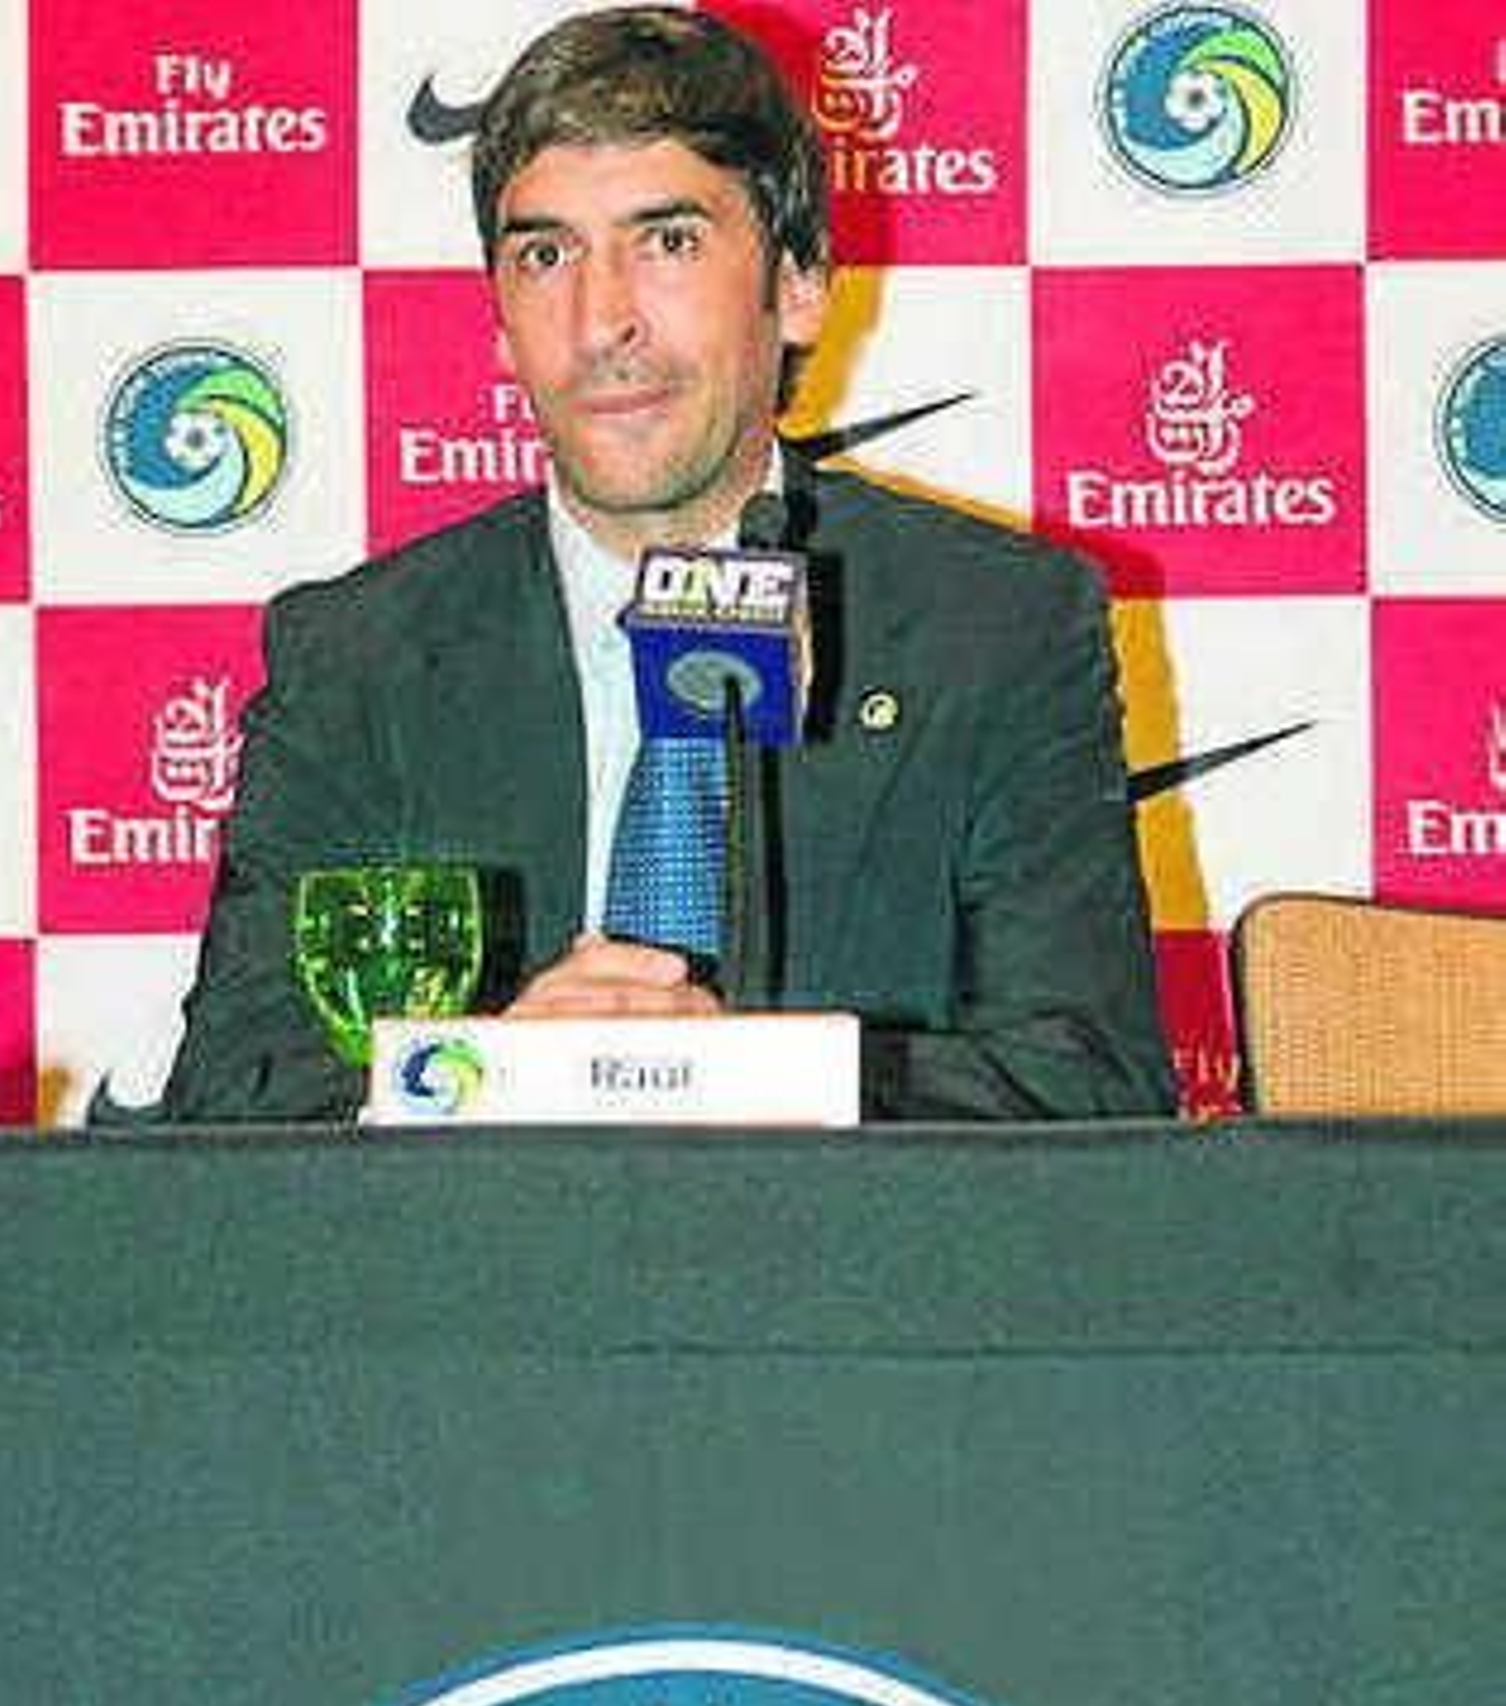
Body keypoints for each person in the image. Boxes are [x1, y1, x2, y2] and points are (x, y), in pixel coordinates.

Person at [156, 4, 1175, 1121]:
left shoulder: (995, 625)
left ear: (797, 286)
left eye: (668, 240)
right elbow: (230, 1099)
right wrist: (493, 1080)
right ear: (496, 319)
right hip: (479, 1285)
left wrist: (729, 1074)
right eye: (545, 254)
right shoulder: (359, 656)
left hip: (855, 1286)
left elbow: (1091, 1090)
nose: (601, 322)